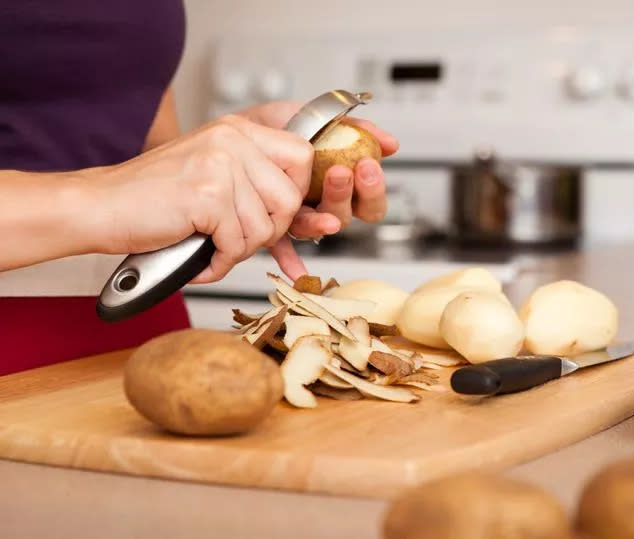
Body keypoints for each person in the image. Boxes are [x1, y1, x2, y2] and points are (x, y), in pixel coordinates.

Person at [0, 0, 398, 375]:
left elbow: (134, 135)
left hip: (143, 326)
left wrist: (232, 167)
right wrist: (101, 196)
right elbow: (121, 186)